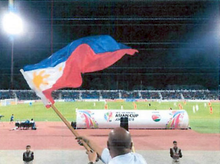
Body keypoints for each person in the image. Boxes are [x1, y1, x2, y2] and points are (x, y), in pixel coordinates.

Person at [76, 127, 147, 164]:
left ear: (108, 145)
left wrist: (91, 161)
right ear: (131, 146)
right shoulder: (139, 158)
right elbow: (102, 152)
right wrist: (87, 141)